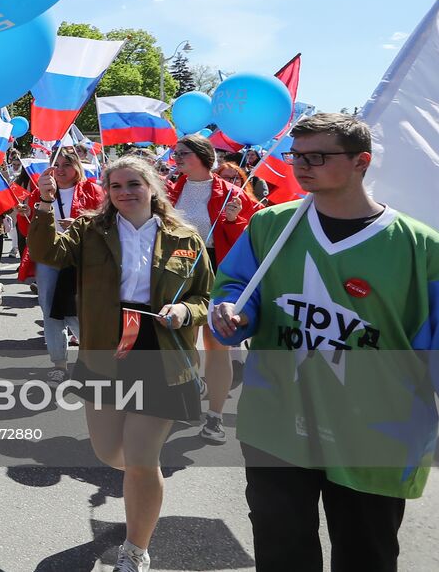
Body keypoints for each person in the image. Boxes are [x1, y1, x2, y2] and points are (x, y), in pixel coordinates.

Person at [210, 114, 439, 572]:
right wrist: (232, 314)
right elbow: (235, 288)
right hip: (277, 420)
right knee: (281, 550)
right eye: (296, 155)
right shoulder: (270, 226)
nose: (301, 166)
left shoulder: (421, 248)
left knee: (366, 555)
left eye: (318, 156)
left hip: (373, 431)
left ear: (361, 162)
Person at [29, 155, 214, 572]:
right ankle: (139, 483)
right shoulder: (89, 230)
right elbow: (45, 251)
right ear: (107, 192)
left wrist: (185, 312)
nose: (125, 192)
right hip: (106, 346)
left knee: (142, 460)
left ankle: (135, 548)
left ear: (152, 187)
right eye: (116, 186)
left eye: (134, 184)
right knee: (111, 452)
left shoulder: (185, 237)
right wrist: (42, 202)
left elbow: (204, 297)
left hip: (161, 348)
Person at [164, 134, 260, 443]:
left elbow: (253, 240)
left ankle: (215, 417)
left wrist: (233, 220)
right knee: (183, 342)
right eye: (175, 152)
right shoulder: (167, 191)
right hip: (179, 275)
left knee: (217, 346)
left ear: (203, 156)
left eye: (184, 153)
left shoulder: (232, 193)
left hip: (218, 272)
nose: (177, 157)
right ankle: (195, 387)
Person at [35, 148, 105, 381]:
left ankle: (93, 359)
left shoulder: (93, 190)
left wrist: (79, 224)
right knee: (50, 311)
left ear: (77, 166)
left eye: (67, 164)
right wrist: (29, 213)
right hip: (49, 259)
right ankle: (60, 364)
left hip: (81, 259)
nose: (61, 169)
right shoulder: (42, 190)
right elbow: (31, 232)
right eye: (57, 164)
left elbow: (108, 224)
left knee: (81, 311)